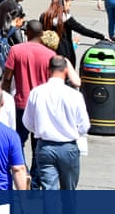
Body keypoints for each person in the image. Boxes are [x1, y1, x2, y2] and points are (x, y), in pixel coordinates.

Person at [23, 56, 90, 193]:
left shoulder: (37, 92)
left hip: (45, 146)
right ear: (65, 71)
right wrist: (72, 132)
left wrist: (40, 129)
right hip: (68, 147)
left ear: (49, 70)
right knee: (69, 191)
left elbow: (27, 122)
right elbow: (84, 125)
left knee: (48, 190)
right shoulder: (74, 95)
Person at [2, 20, 56, 150]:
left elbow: (7, 78)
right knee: (38, 142)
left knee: (18, 140)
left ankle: (20, 167)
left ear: (28, 33)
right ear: (42, 34)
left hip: (21, 103)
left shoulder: (15, 50)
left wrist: (5, 98)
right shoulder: (51, 55)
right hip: (42, 104)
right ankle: (36, 169)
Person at [40, 0, 106, 66]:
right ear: (64, 3)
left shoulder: (44, 16)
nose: (69, 7)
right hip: (65, 52)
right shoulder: (66, 18)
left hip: (48, 51)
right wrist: (102, 36)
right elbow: (83, 30)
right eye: (69, 5)